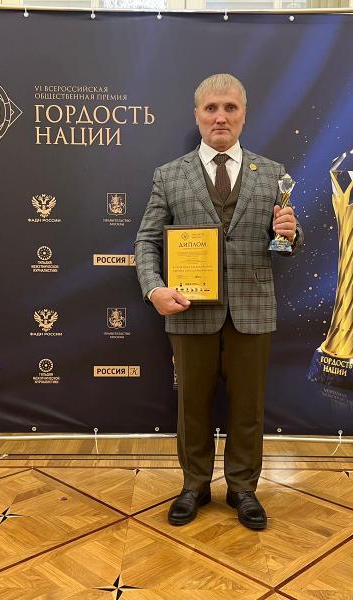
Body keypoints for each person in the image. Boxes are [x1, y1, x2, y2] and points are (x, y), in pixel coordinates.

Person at [135, 73, 301, 530]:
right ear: (197, 116)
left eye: (230, 107)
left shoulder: (273, 173)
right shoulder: (170, 175)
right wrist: (154, 288)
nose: (220, 117)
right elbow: (147, 241)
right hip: (189, 312)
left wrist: (290, 234)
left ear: (244, 114)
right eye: (211, 108)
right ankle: (194, 485)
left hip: (253, 311)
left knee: (248, 407)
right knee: (192, 406)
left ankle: (243, 488)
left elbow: (284, 242)